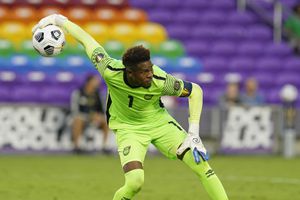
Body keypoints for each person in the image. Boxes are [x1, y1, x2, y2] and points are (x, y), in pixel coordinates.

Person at [33, 14, 229, 200]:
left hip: (160, 123)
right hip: (128, 129)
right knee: (135, 182)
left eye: (151, 68)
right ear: (130, 72)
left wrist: (193, 133)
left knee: (201, 165)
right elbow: (87, 40)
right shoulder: (110, 70)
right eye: (145, 72)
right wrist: (61, 21)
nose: (150, 75)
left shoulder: (160, 80)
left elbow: (195, 91)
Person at [70, 74, 111, 154]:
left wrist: (98, 116)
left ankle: (105, 146)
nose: (97, 82)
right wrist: (88, 116)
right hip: (82, 117)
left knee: (106, 122)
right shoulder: (78, 92)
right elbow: (75, 110)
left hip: (95, 118)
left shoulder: (98, 94)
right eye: (95, 81)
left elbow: (103, 110)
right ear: (89, 82)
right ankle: (76, 147)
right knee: (77, 120)